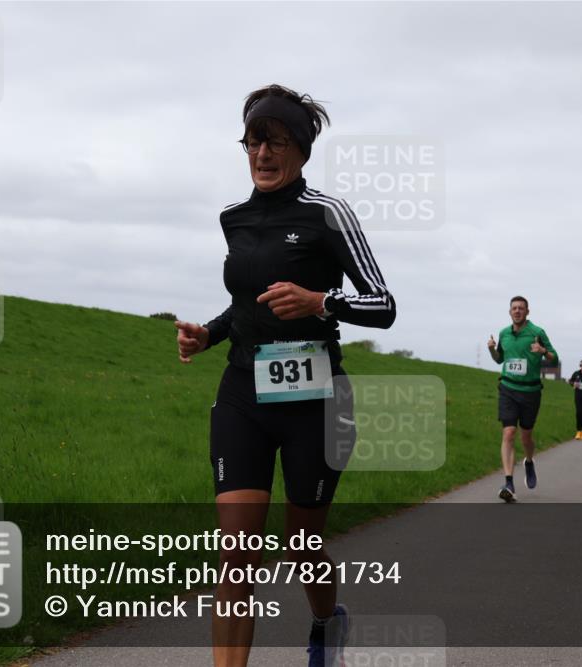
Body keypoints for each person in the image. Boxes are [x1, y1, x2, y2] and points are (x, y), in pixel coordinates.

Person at [175, 84, 396, 667]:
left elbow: (383, 305)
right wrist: (210, 333)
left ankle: (328, 620)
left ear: (300, 149)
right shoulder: (234, 218)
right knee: (236, 555)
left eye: (276, 142)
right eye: (253, 141)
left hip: (316, 400)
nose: (263, 154)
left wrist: (321, 302)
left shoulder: (329, 213)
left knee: (303, 544)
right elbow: (248, 304)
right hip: (243, 392)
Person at [487, 296, 559, 502]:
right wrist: (492, 348)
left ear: (528, 312)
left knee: (526, 436)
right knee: (509, 433)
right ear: (509, 312)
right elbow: (499, 359)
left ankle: (528, 461)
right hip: (508, 388)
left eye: (521, 308)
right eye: (514, 308)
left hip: (530, 392)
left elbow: (554, 357)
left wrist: (543, 351)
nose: (517, 311)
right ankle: (508, 483)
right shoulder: (504, 333)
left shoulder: (537, 332)